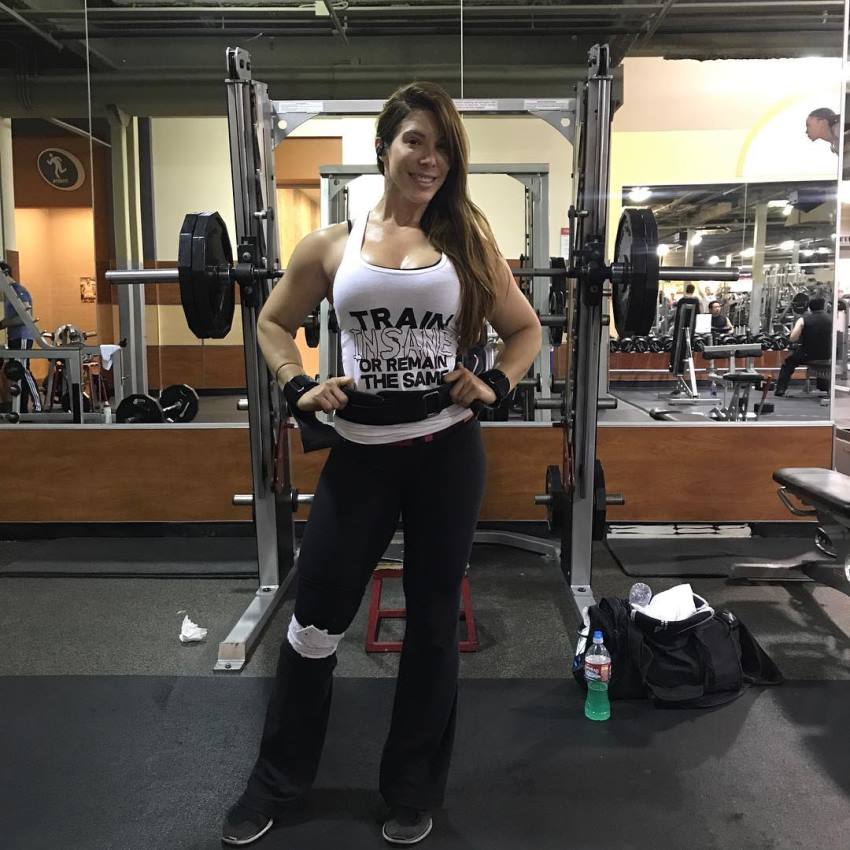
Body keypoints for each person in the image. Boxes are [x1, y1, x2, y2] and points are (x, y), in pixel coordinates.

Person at [221, 81, 542, 847]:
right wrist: (299, 384)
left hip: (446, 455)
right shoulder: (333, 244)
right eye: (414, 141)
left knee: (432, 626)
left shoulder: (468, 243)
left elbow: (525, 332)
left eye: (441, 146)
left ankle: (410, 788)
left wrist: (493, 382)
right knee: (313, 623)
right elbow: (271, 322)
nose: (428, 159)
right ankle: (278, 780)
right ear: (386, 147)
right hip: (361, 459)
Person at [0, 259, 40, 412]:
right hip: (15, 337)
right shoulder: (9, 293)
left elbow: (25, 314)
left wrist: (3, 324)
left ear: (4, 274)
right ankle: (21, 408)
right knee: (16, 372)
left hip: (23, 336)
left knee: (23, 370)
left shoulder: (18, 290)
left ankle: (37, 407)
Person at [774, 296, 832, 397]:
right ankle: (823, 387)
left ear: (809, 307)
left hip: (808, 354)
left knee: (788, 362)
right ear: (823, 306)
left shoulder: (803, 320)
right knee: (822, 363)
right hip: (827, 354)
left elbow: (793, 338)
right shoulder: (831, 319)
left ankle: (780, 389)